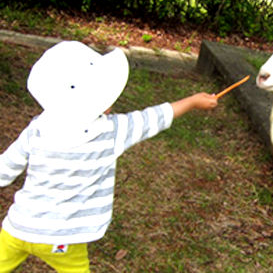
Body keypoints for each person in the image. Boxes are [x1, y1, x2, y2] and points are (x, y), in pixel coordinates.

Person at [0, 41, 218, 272]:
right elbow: (153, 118)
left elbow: (5, 167)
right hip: (61, 238)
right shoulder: (111, 132)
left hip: (17, 229)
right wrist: (192, 102)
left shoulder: (37, 128)